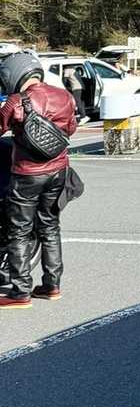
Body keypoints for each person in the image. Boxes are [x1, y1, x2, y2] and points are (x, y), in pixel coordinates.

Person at [0, 51, 78, 309]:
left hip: (27, 174)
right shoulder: (64, 96)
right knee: (50, 227)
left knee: (19, 231)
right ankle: (52, 286)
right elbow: (71, 128)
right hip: (58, 171)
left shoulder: (17, 101)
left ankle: (20, 292)